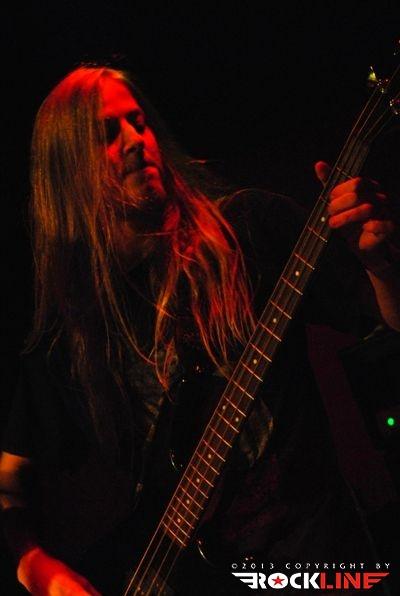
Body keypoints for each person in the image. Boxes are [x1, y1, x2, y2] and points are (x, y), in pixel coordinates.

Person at [0, 66, 399, 596]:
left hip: (324, 570)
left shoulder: (249, 227)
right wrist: (35, 566)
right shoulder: (75, 336)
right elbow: (9, 486)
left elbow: (386, 324)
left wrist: (382, 265)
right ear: (67, 172)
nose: (135, 140)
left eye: (138, 122)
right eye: (107, 134)